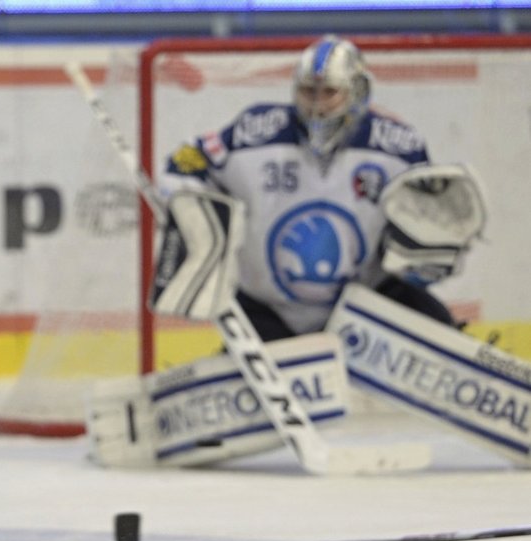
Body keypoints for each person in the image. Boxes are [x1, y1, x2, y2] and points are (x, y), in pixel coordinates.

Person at [158, 34, 478, 341]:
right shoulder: (255, 131)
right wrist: (188, 211)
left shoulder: (399, 148)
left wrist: (425, 255)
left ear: (357, 92)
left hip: (364, 308)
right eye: (308, 92)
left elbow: (427, 217)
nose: (316, 106)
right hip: (266, 312)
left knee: (436, 324)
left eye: (329, 93)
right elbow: (186, 161)